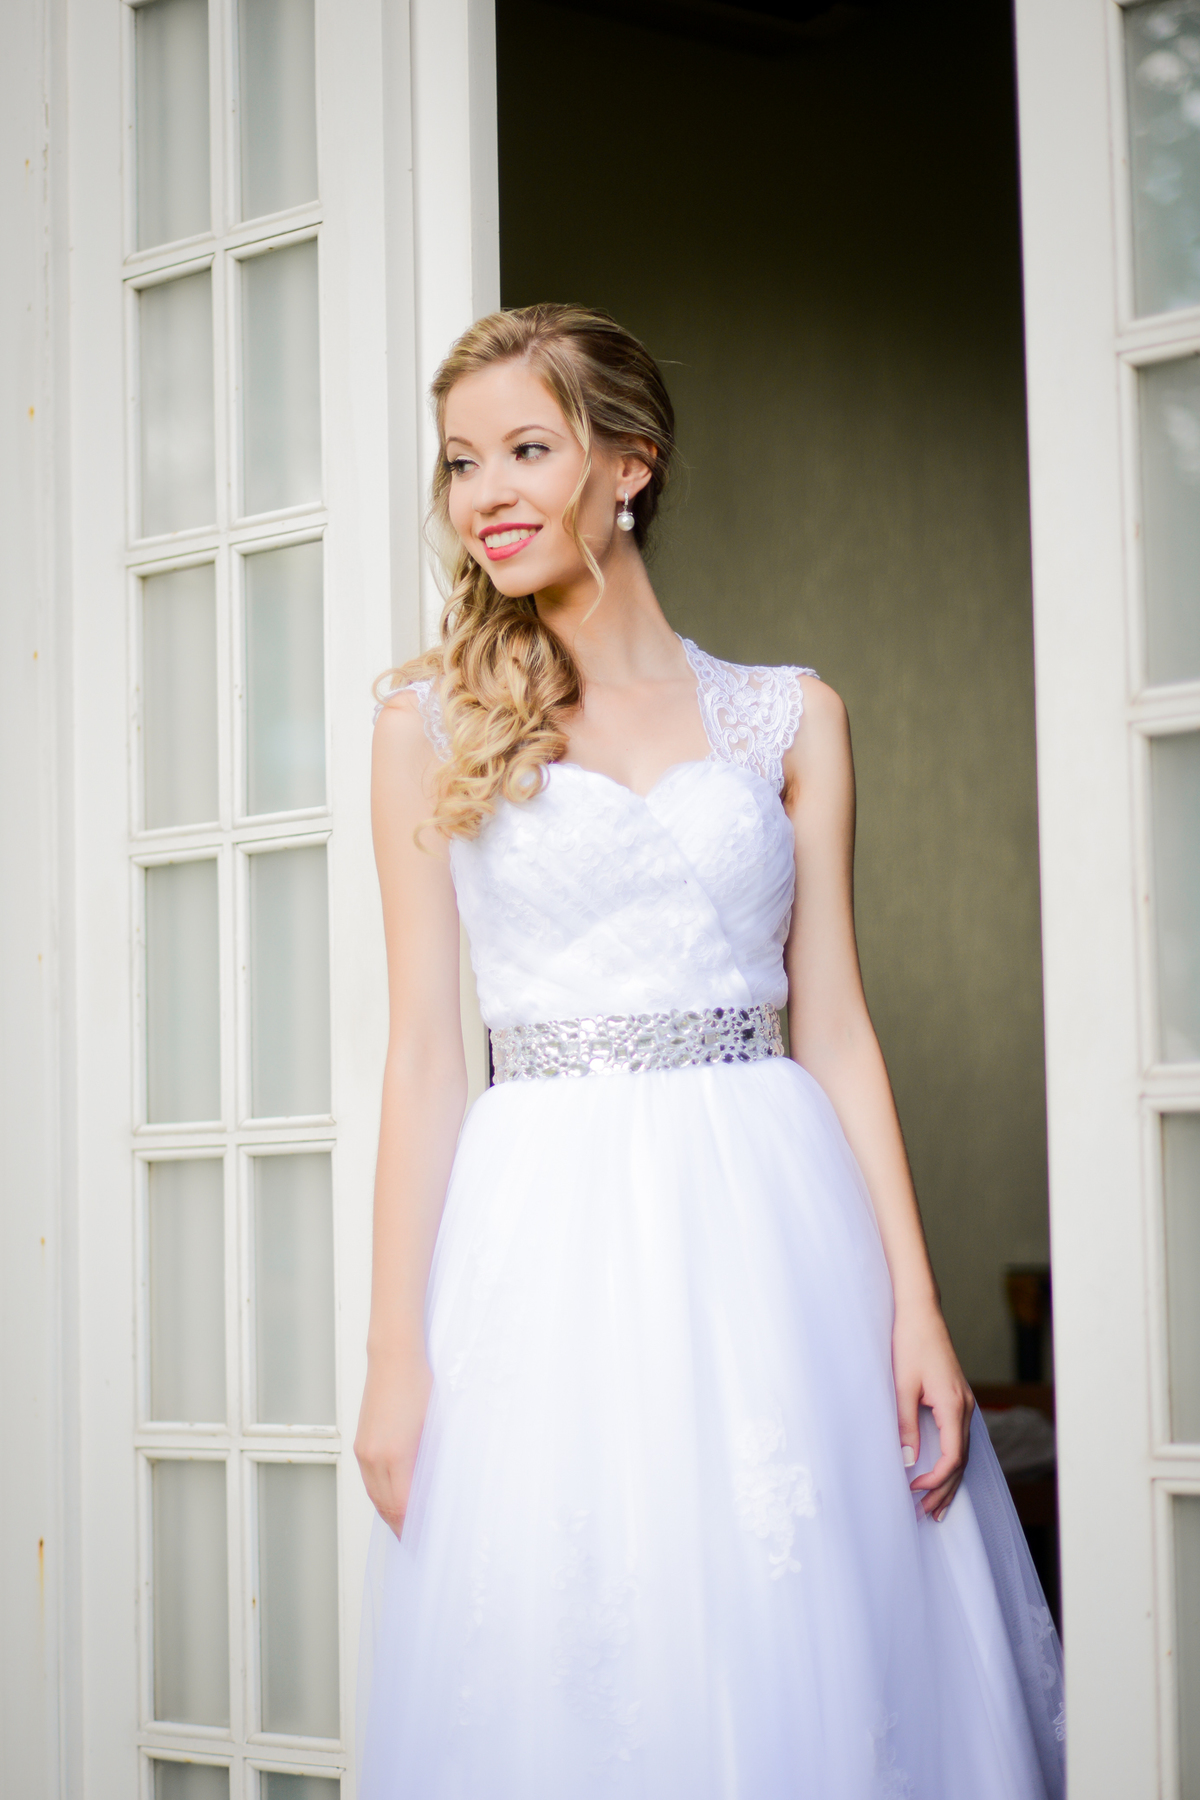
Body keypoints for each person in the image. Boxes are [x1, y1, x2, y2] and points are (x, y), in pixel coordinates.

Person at [355, 304, 1065, 1799]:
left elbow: (840, 1026)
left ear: (630, 463)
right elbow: (426, 1056)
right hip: (541, 1239)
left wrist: (921, 1309)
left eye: (526, 449)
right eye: (459, 460)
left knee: (799, 1624)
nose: (484, 491)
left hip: (772, 1230)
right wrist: (393, 1361)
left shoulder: (789, 717)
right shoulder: (431, 723)